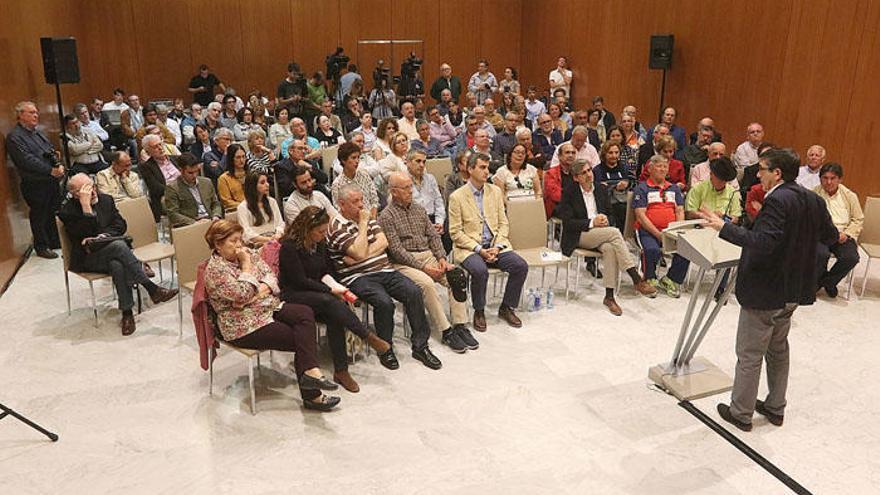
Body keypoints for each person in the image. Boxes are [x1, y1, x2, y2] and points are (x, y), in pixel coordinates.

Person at [702, 149, 838, 431]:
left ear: (777, 173)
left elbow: (764, 242)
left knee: (750, 353)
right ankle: (776, 407)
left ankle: (741, 412)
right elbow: (830, 236)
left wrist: (723, 227)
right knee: (778, 349)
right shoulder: (812, 198)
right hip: (793, 289)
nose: (758, 174)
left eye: (762, 169)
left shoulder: (777, 200)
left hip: (767, 289)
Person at [203, 219, 340, 411]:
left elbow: (270, 276)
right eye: (233, 241)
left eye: (240, 240)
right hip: (242, 323)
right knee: (300, 338)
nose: (239, 246)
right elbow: (242, 293)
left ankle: (312, 373)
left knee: (304, 312)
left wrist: (256, 291)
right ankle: (313, 396)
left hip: (265, 307)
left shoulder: (247, 252)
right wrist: (247, 267)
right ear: (218, 244)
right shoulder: (215, 270)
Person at [328, 185, 442, 370]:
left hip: (385, 270)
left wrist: (361, 255)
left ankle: (421, 346)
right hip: (357, 277)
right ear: (341, 204)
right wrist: (364, 226)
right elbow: (357, 251)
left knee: (414, 291)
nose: (361, 205)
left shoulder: (366, 217)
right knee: (384, 302)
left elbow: (383, 242)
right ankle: (385, 348)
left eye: (361, 200)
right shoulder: (337, 226)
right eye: (355, 202)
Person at [278, 206, 390, 392]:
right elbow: (299, 280)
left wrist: (336, 287)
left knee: (334, 314)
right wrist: (329, 290)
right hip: (294, 293)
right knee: (330, 302)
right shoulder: (289, 247)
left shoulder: (319, 244)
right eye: (320, 231)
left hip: (318, 292)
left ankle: (341, 370)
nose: (323, 235)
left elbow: (325, 270)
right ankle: (367, 336)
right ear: (307, 228)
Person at [59, 173, 178, 334]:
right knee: (119, 246)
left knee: (117, 264)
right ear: (74, 194)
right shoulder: (68, 211)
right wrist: (86, 208)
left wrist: (103, 236)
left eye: (91, 186)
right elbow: (83, 235)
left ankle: (127, 313)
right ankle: (151, 288)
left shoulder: (106, 200)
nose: (92, 191)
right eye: (85, 190)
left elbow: (120, 225)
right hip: (88, 258)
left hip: (112, 252)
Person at [380, 172, 477, 353]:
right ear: (394, 192)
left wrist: (441, 259)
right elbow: (397, 251)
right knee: (426, 284)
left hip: (428, 255)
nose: (411, 190)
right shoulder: (386, 216)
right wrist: (424, 268)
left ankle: (460, 324)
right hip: (404, 263)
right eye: (406, 187)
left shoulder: (419, 209)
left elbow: (433, 236)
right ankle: (446, 330)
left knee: (456, 276)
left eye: (411, 186)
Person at [556, 160, 657, 315]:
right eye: (584, 173)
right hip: (579, 235)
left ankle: (609, 297)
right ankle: (636, 278)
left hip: (602, 233)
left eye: (589, 170)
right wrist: (592, 222)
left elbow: (611, 215)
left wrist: (605, 220)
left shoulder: (601, 189)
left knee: (610, 247)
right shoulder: (569, 192)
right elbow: (568, 223)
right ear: (576, 178)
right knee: (615, 233)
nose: (589, 174)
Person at [448, 152, 528, 331]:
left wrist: (498, 247)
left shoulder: (495, 191)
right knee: (479, 270)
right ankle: (479, 310)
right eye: (482, 168)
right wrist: (479, 249)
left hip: (495, 245)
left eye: (487, 168)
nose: (487, 172)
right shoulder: (457, 197)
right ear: (470, 169)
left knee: (520, 266)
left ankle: (507, 307)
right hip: (470, 248)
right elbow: (455, 232)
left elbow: (503, 223)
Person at [6, 101, 64, 258]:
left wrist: (57, 163)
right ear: (20, 115)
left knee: (52, 211)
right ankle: (41, 246)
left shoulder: (37, 132)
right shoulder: (14, 137)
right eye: (31, 112)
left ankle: (54, 240)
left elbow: (48, 150)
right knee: (39, 214)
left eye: (36, 112)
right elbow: (26, 160)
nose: (36, 115)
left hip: (50, 179)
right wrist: (50, 170)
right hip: (34, 182)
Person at [632, 155, 690, 298]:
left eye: (665, 166)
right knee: (652, 250)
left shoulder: (674, 188)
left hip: (671, 231)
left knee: (687, 250)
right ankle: (649, 279)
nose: (662, 169)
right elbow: (640, 215)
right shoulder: (642, 188)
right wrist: (658, 233)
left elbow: (680, 210)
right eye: (658, 166)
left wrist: (676, 230)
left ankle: (671, 279)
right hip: (647, 231)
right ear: (650, 169)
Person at [814, 162, 863, 298]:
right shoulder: (813, 194)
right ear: (820, 178)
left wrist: (846, 234)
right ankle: (817, 281)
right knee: (819, 255)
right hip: (821, 235)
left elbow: (857, 219)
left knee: (851, 257)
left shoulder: (850, 196)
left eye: (833, 178)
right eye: (825, 178)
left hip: (842, 234)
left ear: (840, 179)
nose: (828, 182)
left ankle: (827, 282)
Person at [164, 152, 223, 227]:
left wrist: (216, 216)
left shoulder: (207, 182)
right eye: (190, 173)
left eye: (196, 171)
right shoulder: (172, 188)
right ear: (181, 170)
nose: (195, 175)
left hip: (211, 220)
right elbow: (173, 214)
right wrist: (194, 223)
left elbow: (216, 203)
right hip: (191, 225)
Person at [686, 156, 742, 225]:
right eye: (719, 179)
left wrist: (723, 217)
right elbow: (689, 213)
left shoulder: (732, 192)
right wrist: (704, 215)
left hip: (723, 227)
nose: (722, 182)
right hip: (701, 225)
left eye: (724, 180)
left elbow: (736, 218)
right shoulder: (697, 188)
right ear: (711, 174)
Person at [331, 142, 380, 218]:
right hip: (352, 222)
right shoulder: (337, 184)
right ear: (343, 160)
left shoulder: (364, 175)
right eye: (353, 158)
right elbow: (339, 209)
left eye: (358, 157)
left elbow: (374, 200)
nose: (357, 161)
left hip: (370, 216)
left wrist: (373, 217)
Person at [140, 134, 181, 222]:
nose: (160, 148)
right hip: (166, 196)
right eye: (155, 147)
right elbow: (156, 188)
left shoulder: (177, 159)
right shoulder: (146, 167)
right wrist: (177, 190)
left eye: (160, 144)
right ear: (148, 151)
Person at [592, 141, 632, 231]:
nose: (614, 156)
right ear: (604, 154)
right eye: (610, 153)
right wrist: (614, 187)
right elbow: (597, 189)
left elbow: (632, 182)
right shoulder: (597, 170)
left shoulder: (624, 168)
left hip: (623, 199)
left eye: (616, 153)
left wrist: (627, 184)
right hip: (606, 202)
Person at [237, 171, 284, 246]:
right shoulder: (242, 207)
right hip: (256, 243)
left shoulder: (272, 201)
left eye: (267, 181)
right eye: (262, 183)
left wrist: (278, 235)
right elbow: (246, 232)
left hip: (275, 239)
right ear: (253, 186)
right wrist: (267, 240)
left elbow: (280, 223)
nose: (267, 185)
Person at [543, 143, 577, 217]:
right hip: (558, 206)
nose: (571, 155)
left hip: (575, 204)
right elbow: (555, 195)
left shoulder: (578, 172)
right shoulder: (551, 173)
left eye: (573, 153)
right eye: (567, 152)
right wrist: (575, 199)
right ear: (559, 156)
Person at [217, 143, 248, 210]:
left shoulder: (251, 174)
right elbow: (226, 202)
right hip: (236, 210)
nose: (242, 160)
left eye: (243, 156)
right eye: (238, 157)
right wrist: (245, 206)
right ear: (231, 158)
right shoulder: (223, 178)